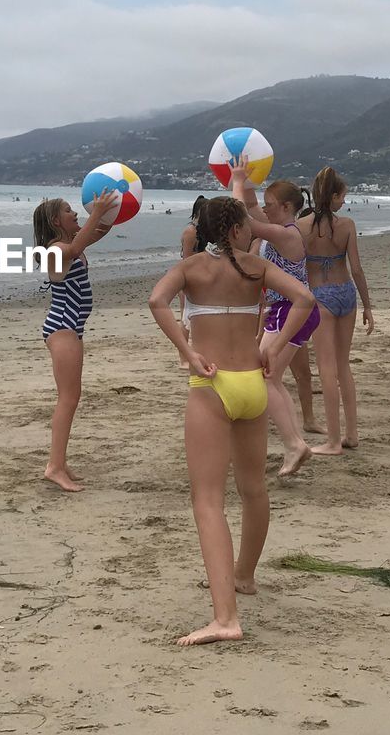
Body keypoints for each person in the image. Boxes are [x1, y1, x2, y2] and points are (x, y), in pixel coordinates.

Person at [148, 197, 314, 646]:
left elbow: (156, 300)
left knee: (207, 501)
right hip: (252, 385)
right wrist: (273, 348)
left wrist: (187, 351)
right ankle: (243, 575)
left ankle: (225, 618)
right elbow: (304, 297)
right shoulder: (254, 268)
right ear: (237, 230)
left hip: (212, 385)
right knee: (253, 489)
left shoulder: (193, 267)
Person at [229, 160, 318, 475]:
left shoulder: (287, 234)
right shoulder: (277, 229)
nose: (263, 209)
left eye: (270, 206)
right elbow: (250, 207)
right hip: (285, 310)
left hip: (291, 310)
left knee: (262, 378)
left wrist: (238, 182)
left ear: (288, 207)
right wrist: (247, 177)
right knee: (274, 380)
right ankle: (295, 443)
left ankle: (294, 444)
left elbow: (244, 220)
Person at [32, 191, 117, 492]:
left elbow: (100, 230)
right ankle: (54, 467)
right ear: (57, 221)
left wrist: (110, 211)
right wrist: (98, 213)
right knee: (68, 399)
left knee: (71, 397)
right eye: (70, 211)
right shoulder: (56, 249)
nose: (76, 213)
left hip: (72, 328)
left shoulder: (70, 245)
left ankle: (60, 462)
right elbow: (81, 241)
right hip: (63, 328)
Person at [299, 167, 373, 455]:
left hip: (319, 296)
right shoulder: (347, 225)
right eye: (342, 196)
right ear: (333, 196)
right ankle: (351, 433)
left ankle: (333, 440)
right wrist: (367, 304)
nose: (344, 201)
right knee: (343, 367)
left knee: (326, 369)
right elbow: (356, 268)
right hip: (346, 293)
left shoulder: (301, 226)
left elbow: (295, 265)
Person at [175, 195, 207, 370]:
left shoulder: (204, 230)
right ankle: (183, 358)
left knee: (197, 318)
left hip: (202, 278)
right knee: (186, 320)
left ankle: (196, 353)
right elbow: (187, 258)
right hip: (188, 279)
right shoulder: (191, 231)